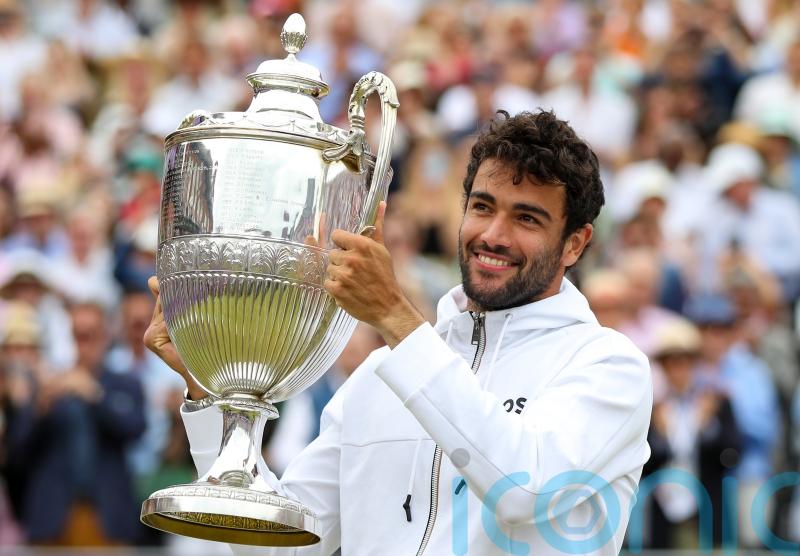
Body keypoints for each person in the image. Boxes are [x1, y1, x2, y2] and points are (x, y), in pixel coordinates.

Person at [145, 111, 652, 555]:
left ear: (575, 244)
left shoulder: (608, 366)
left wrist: (395, 317)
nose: (493, 235)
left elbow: (523, 490)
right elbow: (281, 547)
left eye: (527, 218)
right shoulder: (381, 374)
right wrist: (208, 391)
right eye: (482, 207)